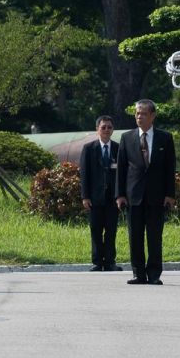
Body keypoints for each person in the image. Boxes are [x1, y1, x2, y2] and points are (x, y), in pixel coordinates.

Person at [116, 99, 176, 286]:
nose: (139, 117)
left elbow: (169, 168)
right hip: (133, 196)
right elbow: (122, 168)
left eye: (143, 114)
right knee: (135, 236)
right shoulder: (127, 138)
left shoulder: (165, 138)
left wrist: (170, 194)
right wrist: (120, 194)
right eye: (137, 114)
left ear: (152, 116)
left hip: (156, 196)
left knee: (154, 236)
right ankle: (138, 273)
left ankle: (154, 274)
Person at [79, 115, 121, 272]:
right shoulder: (89, 149)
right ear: (97, 129)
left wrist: (121, 195)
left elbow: (122, 174)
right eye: (103, 127)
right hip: (94, 198)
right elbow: (84, 175)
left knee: (111, 231)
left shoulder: (118, 148)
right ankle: (97, 262)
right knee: (96, 230)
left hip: (113, 198)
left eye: (109, 127)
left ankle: (110, 262)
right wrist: (85, 196)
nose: (106, 130)